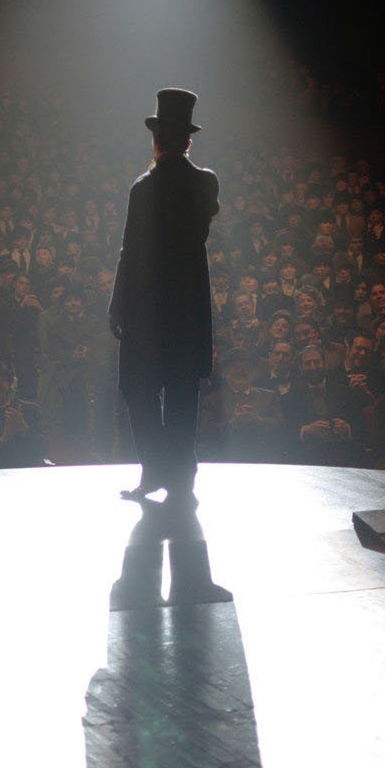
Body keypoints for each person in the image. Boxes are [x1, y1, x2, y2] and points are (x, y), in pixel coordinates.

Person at [109, 89, 219, 505]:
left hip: (147, 307)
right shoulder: (205, 182)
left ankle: (156, 468)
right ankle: (180, 472)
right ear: (188, 141)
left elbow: (130, 251)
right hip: (187, 308)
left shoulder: (145, 187)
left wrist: (117, 304)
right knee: (182, 391)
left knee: (139, 389)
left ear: (155, 140)